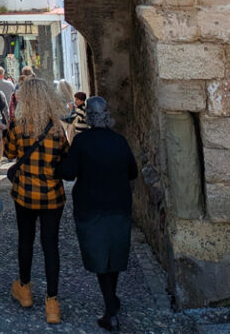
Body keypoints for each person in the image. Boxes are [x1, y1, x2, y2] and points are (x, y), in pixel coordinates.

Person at [58, 95, 137, 331]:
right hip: (119, 205)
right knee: (114, 254)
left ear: (89, 116)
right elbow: (132, 172)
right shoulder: (119, 141)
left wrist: (57, 163)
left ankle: (110, 309)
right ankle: (112, 299)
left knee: (101, 256)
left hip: (91, 207)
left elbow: (69, 174)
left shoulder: (82, 142)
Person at [2, 78, 68, 323]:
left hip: (25, 193)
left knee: (25, 240)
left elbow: (8, 153)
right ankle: (52, 303)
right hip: (52, 194)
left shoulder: (18, 126)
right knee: (51, 245)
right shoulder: (59, 127)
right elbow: (66, 157)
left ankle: (25, 288)